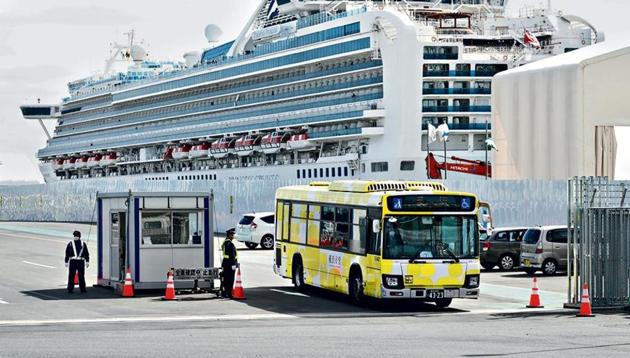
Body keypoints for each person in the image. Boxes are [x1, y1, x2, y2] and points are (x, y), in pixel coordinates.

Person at [220, 229, 238, 298]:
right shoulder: (229, 244)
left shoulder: (225, 242)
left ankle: (225, 293)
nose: (233, 236)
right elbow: (232, 256)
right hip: (230, 264)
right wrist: (234, 264)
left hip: (226, 263)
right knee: (230, 279)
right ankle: (229, 294)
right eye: (232, 235)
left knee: (226, 278)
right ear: (229, 235)